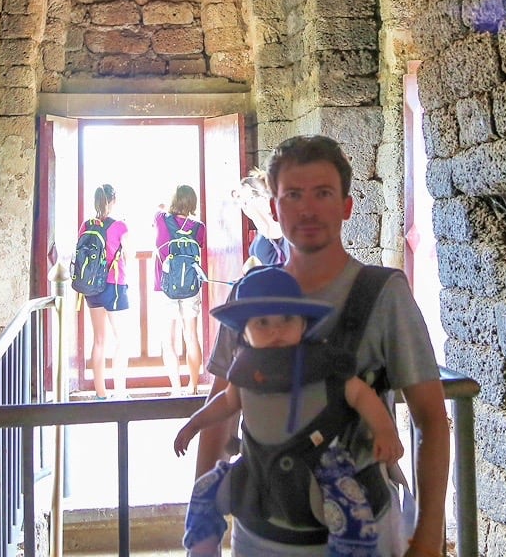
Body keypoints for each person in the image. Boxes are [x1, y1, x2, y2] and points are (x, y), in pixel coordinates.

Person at [195, 135, 450, 557]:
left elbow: (431, 419)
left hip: (359, 529)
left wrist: (427, 538)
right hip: (260, 530)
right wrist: (203, 530)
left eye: (323, 193)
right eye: (293, 195)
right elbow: (218, 411)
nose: (308, 209)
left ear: (346, 206)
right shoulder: (248, 296)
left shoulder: (383, 294)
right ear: (275, 208)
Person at [174, 267, 404, 557]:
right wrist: (194, 424)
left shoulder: (322, 362)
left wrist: (384, 430)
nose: (276, 330)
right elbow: (227, 402)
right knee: (206, 492)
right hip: (257, 464)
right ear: (243, 331)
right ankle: (202, 548)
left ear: (303, 324)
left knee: (352, 509)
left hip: (322, 460)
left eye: (286, 319)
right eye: (262, 322)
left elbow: (359, 394)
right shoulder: (245, 368)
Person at [156, 184, 207, 395]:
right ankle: (193, 386)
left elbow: (158, 209)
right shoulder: (199, 227)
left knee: (168, 339)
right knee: (191, 336)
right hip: (190, 286)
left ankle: (175, 388)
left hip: (165, 285)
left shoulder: (161, 219)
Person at [83, 183, 128, 400]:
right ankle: (119, 391)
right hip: (114, 285)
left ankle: (100, 393)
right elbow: (130, 252)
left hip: (91, 287)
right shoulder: (119, 226)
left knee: (99, 340)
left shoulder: (86, 225)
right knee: (122, 339)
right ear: (113, 201)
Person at [235, 170, 287, 271]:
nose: (243, 207)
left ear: (263, 199)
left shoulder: (291, 237)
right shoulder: (263, 235)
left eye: (245, 201)